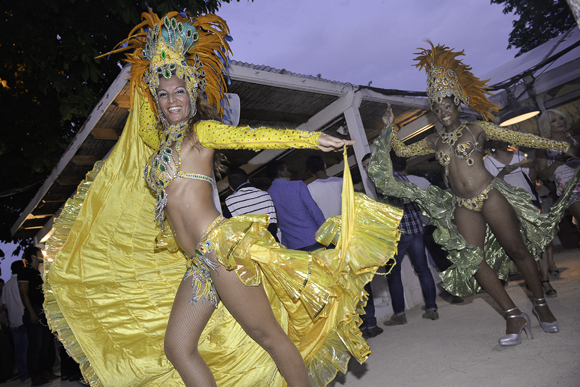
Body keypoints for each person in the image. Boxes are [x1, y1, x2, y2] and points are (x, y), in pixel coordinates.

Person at [42, 10, 404, 386]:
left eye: (179, 91)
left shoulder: (202, 133)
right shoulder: (156, 142)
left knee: (268, 335)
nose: (171, 101)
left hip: (221, 251)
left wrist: (312, 139)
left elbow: (255, 137)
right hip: (197, 263)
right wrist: (146, 73)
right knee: (178, 347)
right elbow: (143, 121)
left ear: (192, 92)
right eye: (163, 94)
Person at [368, 43, 579, 346]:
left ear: (458, 104)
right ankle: (512, 314)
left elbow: (519, 137)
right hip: (462, 204)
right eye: (438, 110)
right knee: (472, 260)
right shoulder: (432, 141)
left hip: (490, 194)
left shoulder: (477, 129)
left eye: (447, 106)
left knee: (518, 251)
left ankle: (541, 305)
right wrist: (389, 129)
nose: (443, 113)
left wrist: (561, 146)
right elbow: (401, 150)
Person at [484, 140, 557, 298]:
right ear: (489, 143)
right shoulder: (487, 161)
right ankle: (532, 278)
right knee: (521, 246)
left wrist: (532, 167)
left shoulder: (518, 155)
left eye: (501, 137)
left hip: (530, 202)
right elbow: (491, 187)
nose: (500, 142)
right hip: (508, 207)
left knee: (541, 242)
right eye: (495, 139)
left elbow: (531, 180)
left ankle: (545, 281)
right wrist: (503, 172)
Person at [381, 151, 439, 325]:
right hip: (415, 227)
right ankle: (431, 308)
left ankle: (399, 314)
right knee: (422, 268)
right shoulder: (405, 178)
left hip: (399, 231)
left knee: (393, 273)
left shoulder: (388, 180)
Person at [536, 108, 580, 252]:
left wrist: (572, 153)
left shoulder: (575, 139)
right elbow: (543, 175)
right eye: (553, 121)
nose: (559, 122)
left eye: (560, 118)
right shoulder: (543, 148)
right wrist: (556, 163)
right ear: (547, 126)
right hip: (568, 190)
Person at [268, 159, 326, 250]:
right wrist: (326, 231)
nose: (290, 174)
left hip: (292, 245)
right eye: (286, 170)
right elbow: (314, 210)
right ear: (280, 173)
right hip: (313, 238)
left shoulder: (268, 194)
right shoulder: (298, 185)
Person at [19, 247, 57, 385]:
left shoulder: (35, 273)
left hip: (42, 311)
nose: (42, 255)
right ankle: (35, 376)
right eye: (40, 253)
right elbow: (24, 293)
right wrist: (32, 313)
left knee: (45, 343)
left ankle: (44, 372)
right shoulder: (24, 272)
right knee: (35, 345)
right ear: (33, 256)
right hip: (35, 311)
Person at [223, 167, 280, 241]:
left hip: (250, 248)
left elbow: (229, 230)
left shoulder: (230, 202)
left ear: (231, 188)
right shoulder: (265, 195)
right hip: (271, 244)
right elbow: (273, 225)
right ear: (248, 180)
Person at [0, 260, 28, 382]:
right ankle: (29, 373)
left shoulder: (6, 286)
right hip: (23, 319)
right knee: (28, 348)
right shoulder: (21, 283)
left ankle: (23, 374)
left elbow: (4, 305)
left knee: (18, 350)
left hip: (13, 321)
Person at [306, 154, 343, 218]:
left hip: (326, 226)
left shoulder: (309, 189)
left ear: (310, 172)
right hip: (345, 224)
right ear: (325, 165)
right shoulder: (341, 181)